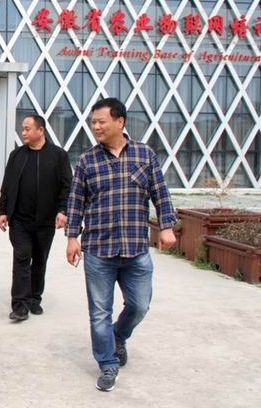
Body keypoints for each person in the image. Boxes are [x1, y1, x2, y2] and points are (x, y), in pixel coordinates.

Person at [65, 98, 177, 393]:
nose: (96, 127)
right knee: (99, 312)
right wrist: (72, 237)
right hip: (98, 250)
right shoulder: (87, 160)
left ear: (120, 121)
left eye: (101, 122)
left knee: (140, 306)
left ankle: (118, 336)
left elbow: (160, 193)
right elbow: (76, 202)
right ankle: (107, 363)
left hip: (135, 247)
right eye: (93, 122)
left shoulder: (144, 154)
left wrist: (166, 226)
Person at [0, 114, 72, 321]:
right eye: (23, 128)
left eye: (27, 128)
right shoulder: (17, 155)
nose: (23, 132)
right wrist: (3, 211)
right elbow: (7, 185)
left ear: (41, 130)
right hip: (19, 220)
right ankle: (19, 305)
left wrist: (63, 210)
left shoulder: (58, 156)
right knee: (22, 257)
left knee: (39, 260)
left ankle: (34, 299)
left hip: (46, 221)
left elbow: (67, 186)